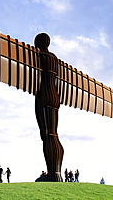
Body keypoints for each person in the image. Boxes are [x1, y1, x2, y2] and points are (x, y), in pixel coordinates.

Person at [34, 33, 64, 182]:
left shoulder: (39, 56)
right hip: (55, 95)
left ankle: (53, 174)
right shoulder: (55, 59)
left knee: (46, 134)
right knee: (53, 134)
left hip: (44, 94)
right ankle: (56, 173)